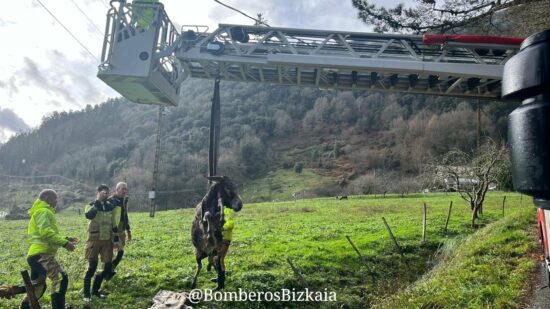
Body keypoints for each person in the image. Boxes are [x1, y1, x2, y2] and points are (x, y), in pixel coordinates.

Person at [20, 189, 77, 309]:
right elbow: (46, 233)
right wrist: (65, 243)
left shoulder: (42, 211)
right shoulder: (43, 211)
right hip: (41, 254)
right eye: (55, 198)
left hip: (36, 255)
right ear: (46, 198)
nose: (57, 201)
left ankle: (26, 306)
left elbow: (45, 234)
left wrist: (66, 238)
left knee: (38, 286)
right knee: (61, 278)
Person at [83, 184, 121, 302]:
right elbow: (89, 215)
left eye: (107, 192)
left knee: (107, 267)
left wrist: (116, 240)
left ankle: (95, 290)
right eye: (103, 192)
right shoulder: (90, 205)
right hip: (94, 240)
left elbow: (114, 223)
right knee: (92, 268)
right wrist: (98, 201)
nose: (106, 194)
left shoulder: (110, 206)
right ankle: (86, 294)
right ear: (98, 192)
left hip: (107, 241)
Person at [210, 206, 235, 289]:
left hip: (225, 239)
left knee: (219, 259)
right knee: (215, 259)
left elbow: (230, 223)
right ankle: (220, 278)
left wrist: (221, 228)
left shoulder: (227, 210)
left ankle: (221, 285)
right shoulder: (218, 208)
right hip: (218, 239)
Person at [108, 182, 132, 270]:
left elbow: (125, 215)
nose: (125, 191)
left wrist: (128, 230)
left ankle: (110, 266)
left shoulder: (124, 200)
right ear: (117, 189)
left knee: (120, 249)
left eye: (126, 189)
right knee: (114, 249)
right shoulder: (111, 200)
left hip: (122, 227)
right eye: (123, 189)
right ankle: (109, 267)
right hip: (113, 228)